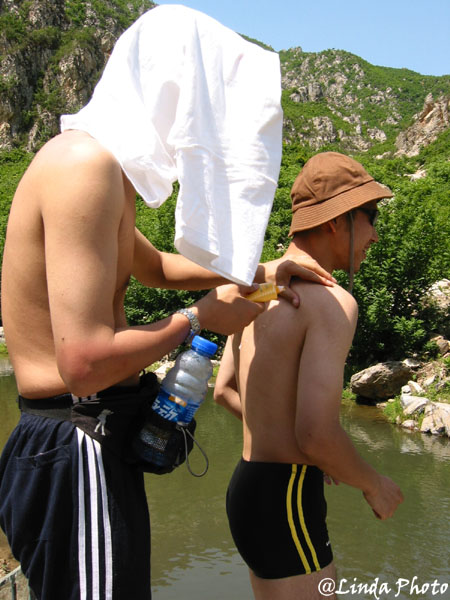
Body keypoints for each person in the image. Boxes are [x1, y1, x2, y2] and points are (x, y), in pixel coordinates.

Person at [0, 6, 334, 600]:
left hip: (82, 440)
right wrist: (200, 319)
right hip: (74, 438)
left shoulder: (102, 171)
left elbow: (155, 267)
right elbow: (83, 362)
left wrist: (257, 271)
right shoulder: (84, 167)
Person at [214, 151, 404, 600]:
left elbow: (223, 391)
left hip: (248, 491)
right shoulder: (333, 302)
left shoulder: (259, 288)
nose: (375, 235)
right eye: (372, 217)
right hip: (288, 499)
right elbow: (316, 434)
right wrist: (375, 484)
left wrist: (309, 451)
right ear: (337, 221)